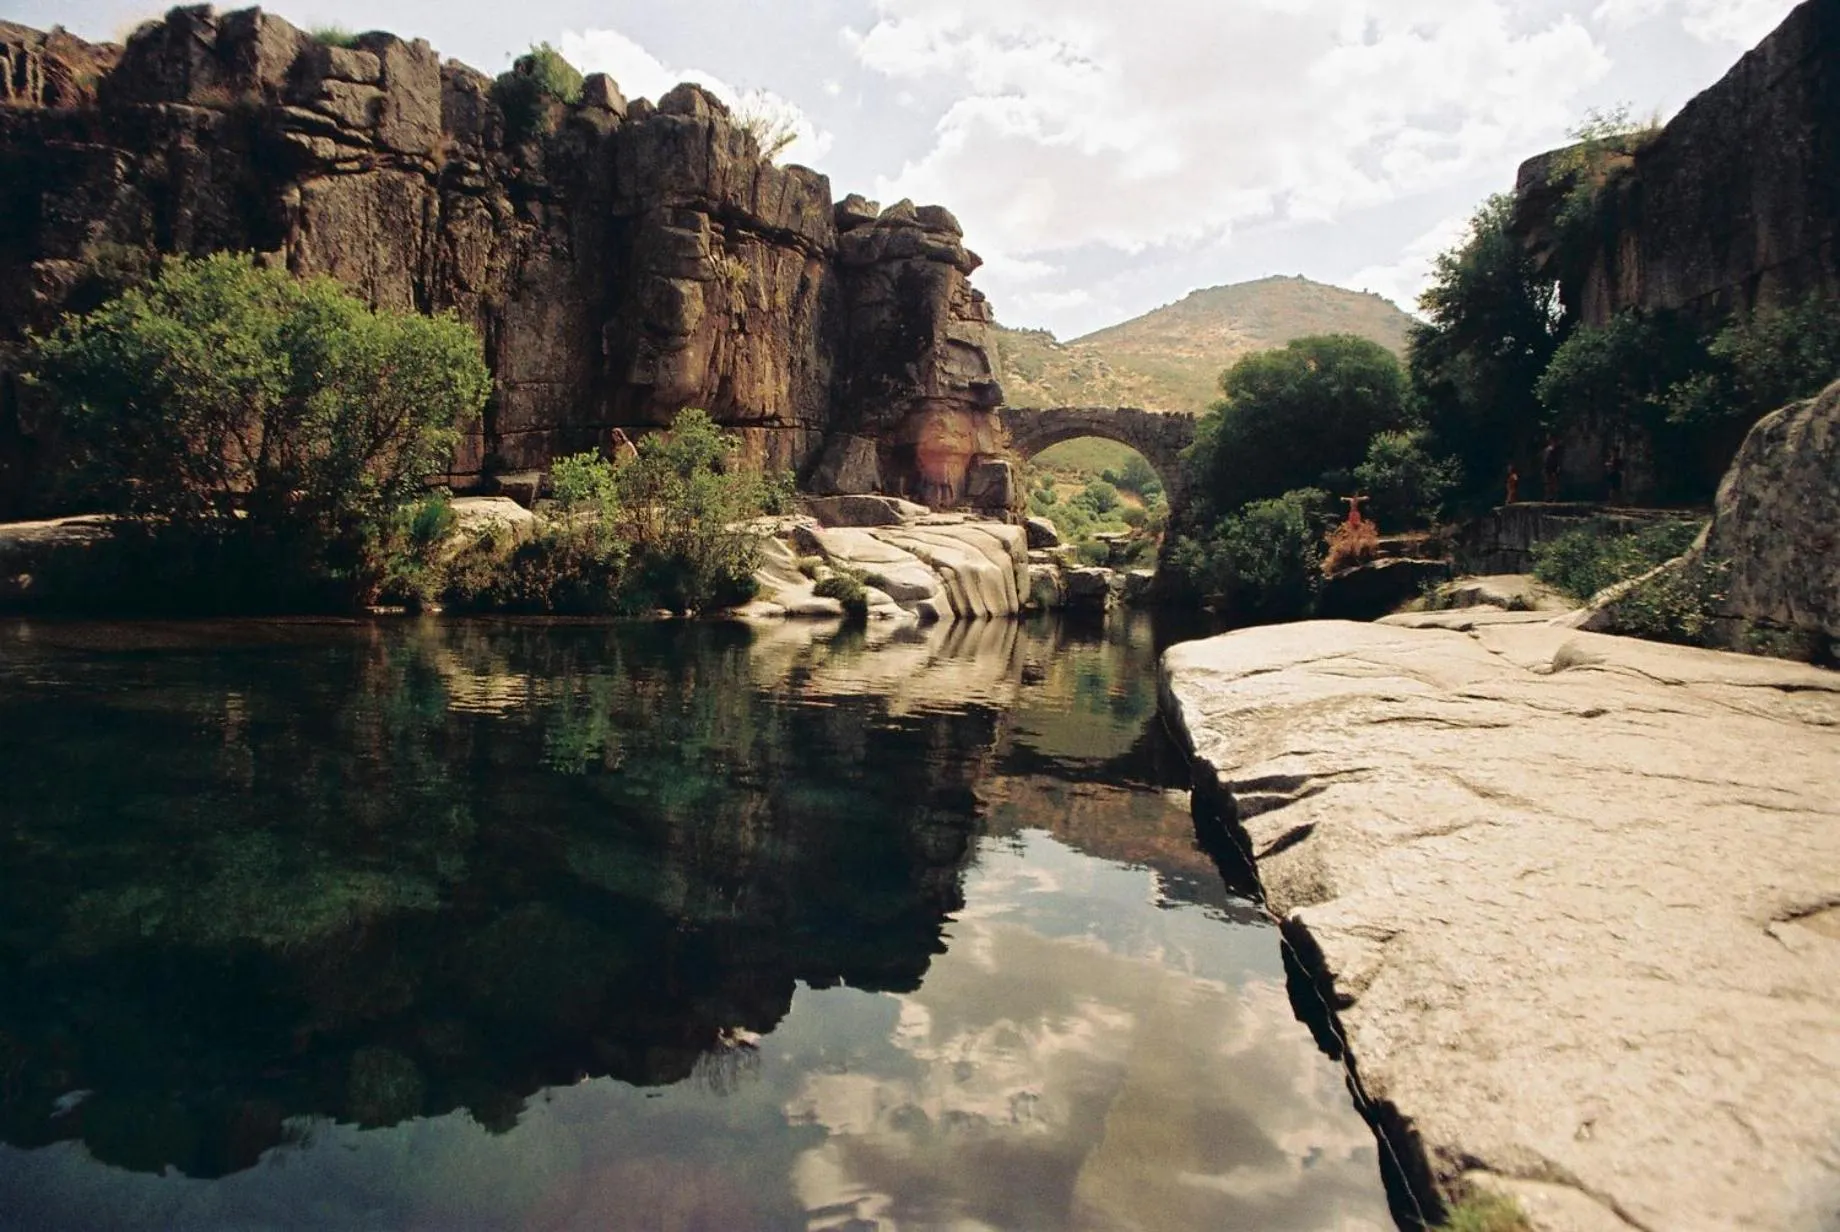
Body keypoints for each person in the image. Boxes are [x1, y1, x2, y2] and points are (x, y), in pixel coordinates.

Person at [1542, 434, 1564, 501]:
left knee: (1554, 483)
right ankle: (1548, 496)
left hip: (1554, 468)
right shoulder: (1547, 450)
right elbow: (1545, 459)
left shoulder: (1557, 449)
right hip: (1548, 468)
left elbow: (1558, 459)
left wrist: (1558, 467)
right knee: (1548, 483)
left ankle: (1555, 497)